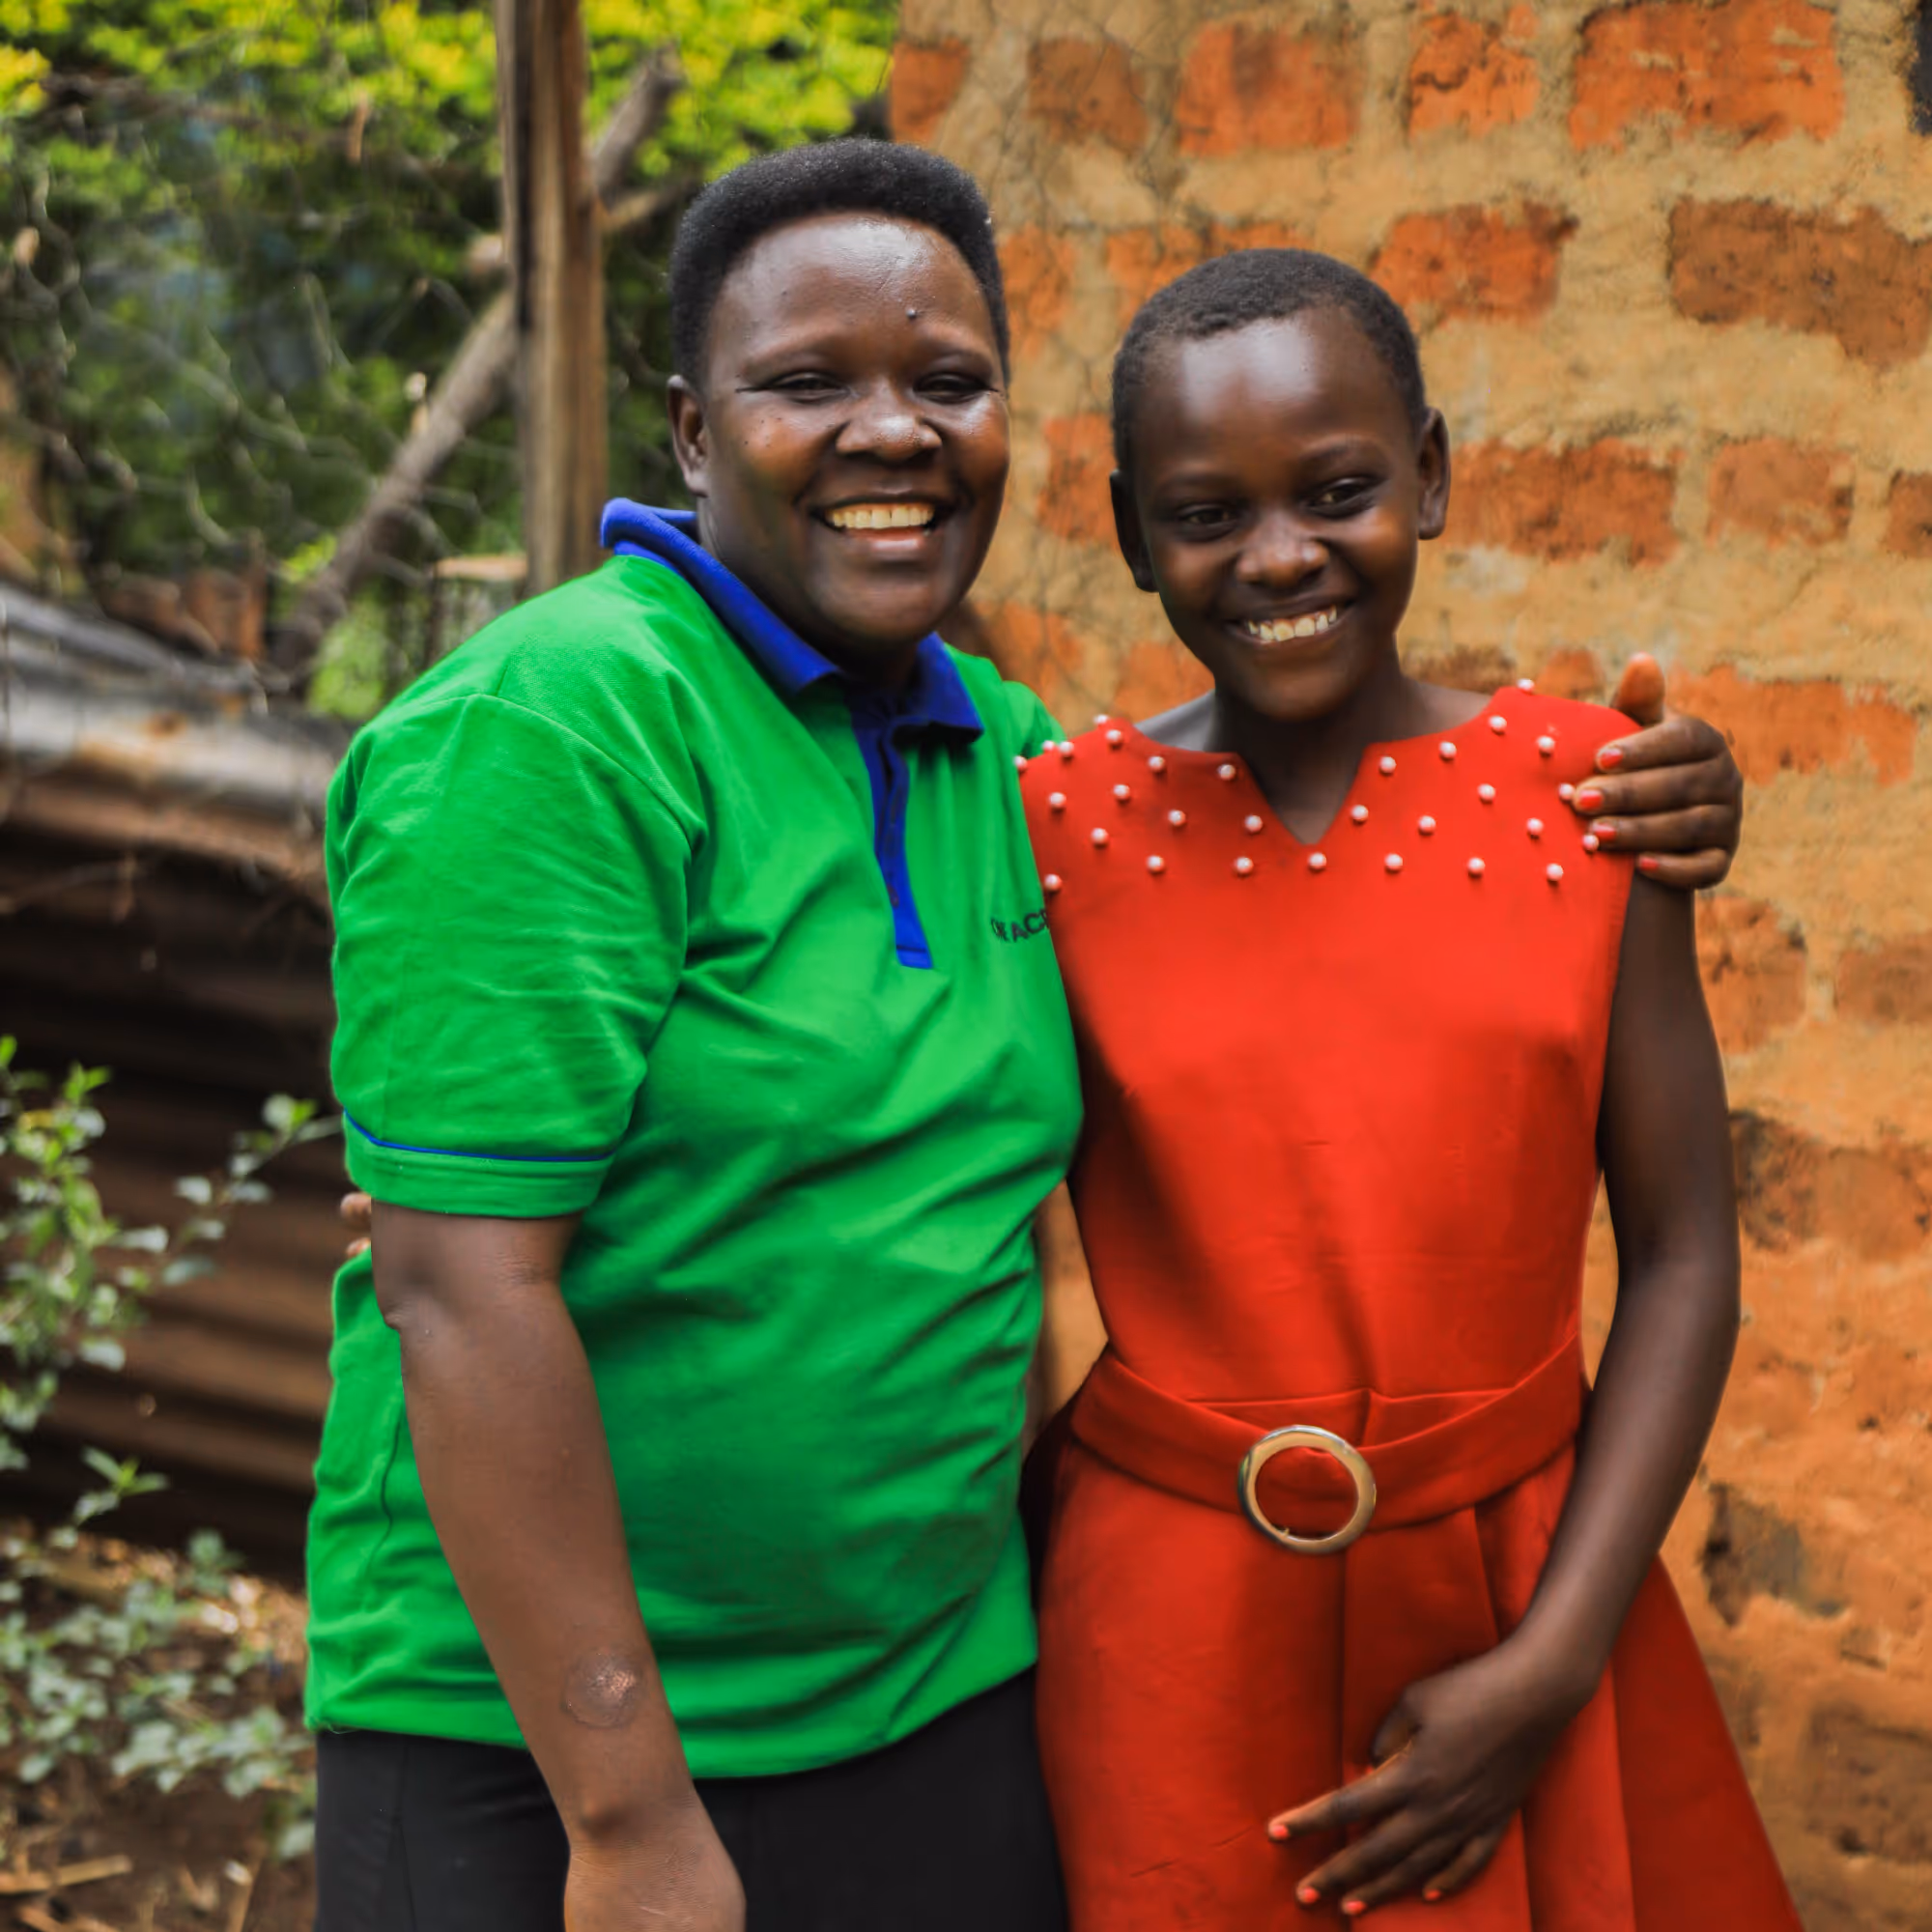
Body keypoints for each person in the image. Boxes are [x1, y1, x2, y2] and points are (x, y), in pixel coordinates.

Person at [311, 141, 1749, 1932]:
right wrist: (624, 1814)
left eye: (945, 380)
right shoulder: (558, 719)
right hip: (567, 1751)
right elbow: (462, 1279)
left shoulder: (1000, 761)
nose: (890, 431)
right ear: (690, 432)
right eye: (807, 382)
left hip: (939, 1695)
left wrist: (1659, 790)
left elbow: (1308, 929)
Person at [1020, 249, 1801, 1927]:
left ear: (1430, 477)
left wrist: (1552, 1662)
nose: (1278, 555)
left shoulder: (1592, 800)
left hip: (1523, 1591)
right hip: (1162, 1622)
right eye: (1205, 513)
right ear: (1130, 530)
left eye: (1339, 491)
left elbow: (1684, 1255)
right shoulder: (1049, 832)